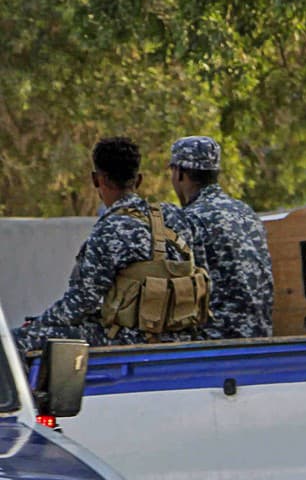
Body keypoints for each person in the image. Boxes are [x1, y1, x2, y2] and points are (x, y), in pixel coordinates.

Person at [14, 136, 209, 352]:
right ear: (139, 180)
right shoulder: (175, 216)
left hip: (131, 340)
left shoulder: (110, 229)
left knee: (18, 341)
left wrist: (38, 323)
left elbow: (81, 302)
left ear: (97, 180)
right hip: (183, 337)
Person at [166, 136, 274, 339]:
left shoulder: (190, 219)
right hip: (261, 335)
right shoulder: (246, 212)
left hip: (216, 341)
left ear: (179, 173)